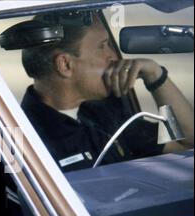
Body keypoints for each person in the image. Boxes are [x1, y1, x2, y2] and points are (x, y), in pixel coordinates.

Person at [16, 12, 194, 172]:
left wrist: (156, 76)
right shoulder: (17, 140)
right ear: (65, 64)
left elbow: (185, 144)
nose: (114, 57)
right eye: (103, 46)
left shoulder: (104, 114)